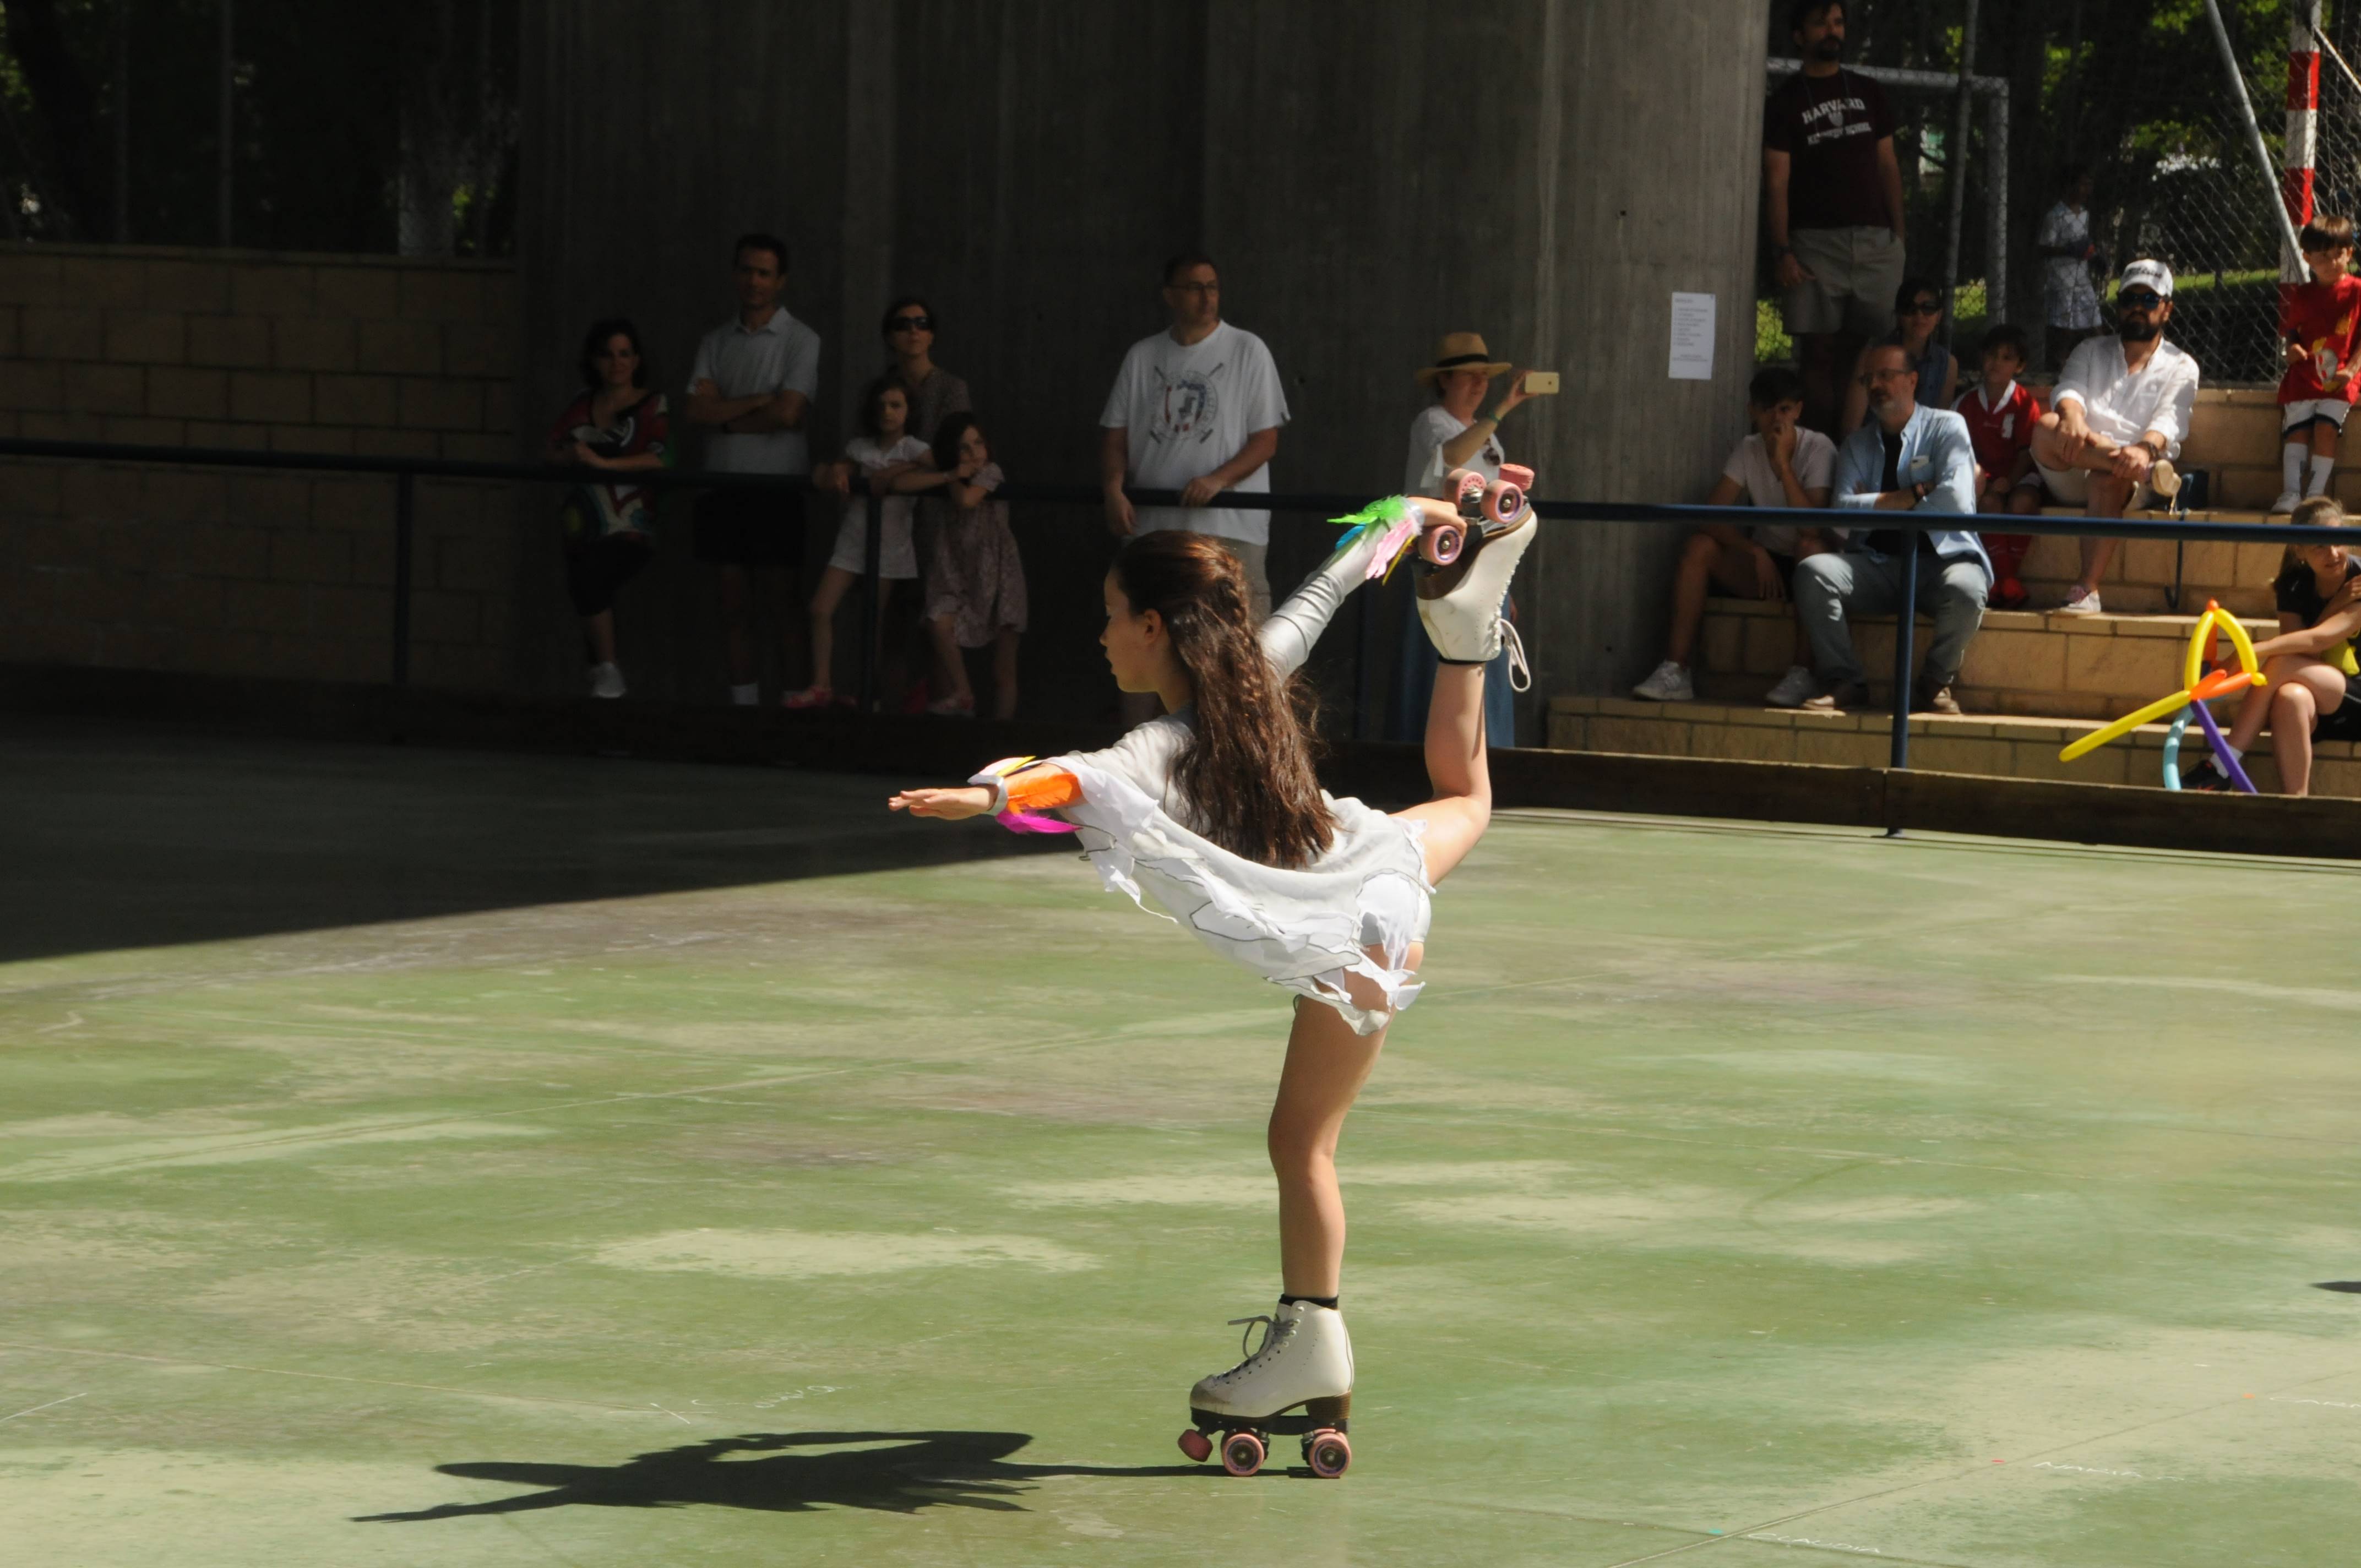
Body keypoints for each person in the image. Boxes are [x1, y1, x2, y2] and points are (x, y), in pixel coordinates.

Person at [887, 478, 1541, 1478]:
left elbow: (1069, 777)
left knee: (1300, 1141)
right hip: (1371, 872)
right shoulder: (1252, 673)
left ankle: (1315, 1337)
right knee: (1466, 796)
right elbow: (1322, 593)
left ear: (1153, 626)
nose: (1102, 635)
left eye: (1111, 617)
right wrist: (1407, 520)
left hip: (1350, 933)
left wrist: (982, 795)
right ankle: (1463, 630)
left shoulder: (1157, 745)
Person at [1100, 252, 1290, 725]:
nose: (1206, 298)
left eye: (1212, 287)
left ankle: (1239, 750)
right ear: (1170, 295)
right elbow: (1115, 435)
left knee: (1237, 645)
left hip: (1231, 527)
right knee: (1145, 638)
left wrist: (1217, 481)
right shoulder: (1144, 356)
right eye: (1194, 287)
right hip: (1157, 526)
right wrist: (1114, 488)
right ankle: (1137, 755)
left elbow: (1266, 439)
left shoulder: (1248, 351)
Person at [1796, 342, 1988, 715]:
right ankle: (1845, 680)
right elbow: (1842, 513)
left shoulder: (1948, 427)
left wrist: (1876, 502)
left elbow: (1957, 500)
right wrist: (1912, 495)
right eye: (1869, 379)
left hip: (1940, 565)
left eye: (1887, 375)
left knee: (1968, 588)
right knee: (1813, 572)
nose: (1876, 386)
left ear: (1913, 380)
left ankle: (1935, 683)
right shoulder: (1857, 445)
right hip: (1877, 565)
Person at [1632, 365, 1837, 706]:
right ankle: (1676, 671)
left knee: (1810, 547)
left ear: (1798, 410)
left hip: (1808, 565)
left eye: (1785, 409)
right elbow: (1711, 515)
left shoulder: (1820, 448)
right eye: (1767, 409)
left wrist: (1783, 465)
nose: (1776, 419)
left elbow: (1812, 526)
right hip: (1764, 566)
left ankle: (1803, 674)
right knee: (1699, 547)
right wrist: (1753, 550)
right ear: (1752, 412)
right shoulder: (1748, 447)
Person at [684, 232, 822, 705]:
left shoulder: (802, 340)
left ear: (780, 281)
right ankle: (743, 716)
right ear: (734, 274)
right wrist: (758, 402)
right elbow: (695, 411)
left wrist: (724, 415)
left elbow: (788, 413)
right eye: (746, 270)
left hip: (778, 488)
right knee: (733, 606)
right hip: (722, 487)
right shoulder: (715, 340)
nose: (754, 281)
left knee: (784, 606)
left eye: (764, 273)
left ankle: (792, 716)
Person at [1762, 0, 1907, 433]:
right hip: (1813, 245)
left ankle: (1856, 452)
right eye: (1821, 23)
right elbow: (1776, 181)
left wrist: (1898, 233)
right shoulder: (1785, 101)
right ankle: (1819, 450)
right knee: (1818, 353)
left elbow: (1888, 166)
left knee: (1867, 352)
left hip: (1875, 243)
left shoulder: (1868, 90)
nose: (1832, 30)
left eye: (1838, 22)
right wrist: (1783, 248)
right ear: (1799, 36)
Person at [2031, 259, 2199, 615]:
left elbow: (2171, 418)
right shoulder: (2090, 350)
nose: (2138, 307)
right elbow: (2070, 388)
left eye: (2150, 300)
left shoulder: (2182, 365)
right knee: (2047, 425)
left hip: (2130, 475)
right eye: (2130, 299)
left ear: (2167, 309)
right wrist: (2072, 418)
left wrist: (2143, 449)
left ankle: (2087, 590)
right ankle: (2143, 470)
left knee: (2108, 478)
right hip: (2077, 459)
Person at [1389, 332, 1530, 745]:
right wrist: (1503, 408)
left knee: (1486, 657)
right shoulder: (1431, 422)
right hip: (1442, 556)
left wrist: (1508, 580)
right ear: (1445, 381)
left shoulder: (1489, 436)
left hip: (1485, 558)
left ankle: (1486, 755)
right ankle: (1425, 752)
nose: (1479, 383)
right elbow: (1450, 457)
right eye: (1469, 375)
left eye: (1484, 375)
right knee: (1436, 658)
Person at [2185, 497, 2361, 796]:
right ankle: (2297, 806)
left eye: (2338, 540)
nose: (2333, 553)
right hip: (2319, 701)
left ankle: (2222, 765)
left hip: (2355, 700)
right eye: (2319, 545)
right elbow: (2304, 652)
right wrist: (2336, 604)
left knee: (2279, 663)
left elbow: (2317, 640)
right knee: (2288, 696)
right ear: (2300, 550)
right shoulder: (2293, 583)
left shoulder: (2359, 580)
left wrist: (2251, 651)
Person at [784, 379, 930, 709]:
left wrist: (894, 473)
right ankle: (822, 684)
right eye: (882, 405)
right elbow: (834, 469)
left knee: (873, 620)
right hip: (853, 537)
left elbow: (936, 466)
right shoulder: (860, 447)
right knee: (820, 608)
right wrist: (838, 471)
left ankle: (869, 694)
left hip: (890, 544)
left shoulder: (914, 448)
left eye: (896, 405)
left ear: (909, 412)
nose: (888, 412)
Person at [546, 319, 672, 700]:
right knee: (589, 594)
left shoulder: (653, 404)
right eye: (607, 355)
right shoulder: (581, 404)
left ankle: (611, 674)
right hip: (581, 523)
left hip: (629, 525)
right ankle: (606, 699)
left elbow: (663, 458)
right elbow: (550, 451)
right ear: (594, 361)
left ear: (636, 360)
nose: (617, 363)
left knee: (593, 581)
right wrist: (571, 454)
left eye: (624, 354)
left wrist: (605, 466)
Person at [905, 412, 1025, 719]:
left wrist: (954, 476)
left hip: (999, 575)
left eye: (978, 444)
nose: (974, 455)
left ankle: (1002, 736)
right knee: (938, 621)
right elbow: (902, 479)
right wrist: (948, 474)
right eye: (964, 448)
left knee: (1003, 667)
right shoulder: (947, 476)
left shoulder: (991, 471)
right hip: (958, 572)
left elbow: (968, 501)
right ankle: (963, 693)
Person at [2272, 214, 2361, 515]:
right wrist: (2292, 348)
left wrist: (2352, 370)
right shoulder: (2303, 294)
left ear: (2350, 253)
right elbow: (2293, 331)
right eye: (2324, 256)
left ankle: (2314, 495)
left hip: (2341, 377)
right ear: (2308, 258)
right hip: (2305, 375)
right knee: (2296, 431)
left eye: (2340, 254)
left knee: (2326, 428)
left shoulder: (2358, 290)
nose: (2333, 262)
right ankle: (2291, 493)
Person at [1952, 323, 2044, 609]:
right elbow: (1960, 450)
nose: (1997, 363)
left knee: (2022, 504)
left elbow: (2026, 452)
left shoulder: (2025, 403)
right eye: (1992, 355)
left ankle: (2007, 579)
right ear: (1982, 357)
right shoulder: (1965, 404)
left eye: (2007, 358)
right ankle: (2005, 581)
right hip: (1986, 480)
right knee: (1991, 504)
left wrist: (2011, 479)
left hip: (2020, 475)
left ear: (2019, 366)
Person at [1838, 276, 1956, 437]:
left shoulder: (1947, 364)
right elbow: (1851, 426)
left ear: (1939, 315)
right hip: (1873, 444)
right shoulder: (1871, 356)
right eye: (1909, 309)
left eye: (1928, 308)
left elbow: (1939, 426)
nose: (1919, 316)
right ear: (1899, 316)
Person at [875, 295, 972, 450]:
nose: (914, 330)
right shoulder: (880, 389)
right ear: (890, 337)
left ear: (931, 336)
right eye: (903, 325)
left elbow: (956, 449)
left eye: (922, 324)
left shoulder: (953, 388)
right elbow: (864, 441)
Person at [2036, 165, 2106, 371]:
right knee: (2064, 328)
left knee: (2094, 322)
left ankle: (2103, 363)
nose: (2087, 189)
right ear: (2070, 186)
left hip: (2082, 278)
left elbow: (2085, 244)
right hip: (2062, 280)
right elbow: (2044, 248)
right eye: (2083, 184)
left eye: (2089, 185)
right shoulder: (2056, 216)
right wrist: (2067, 250)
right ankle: (2060, 364)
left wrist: (2094, 256)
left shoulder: (2084, 214)